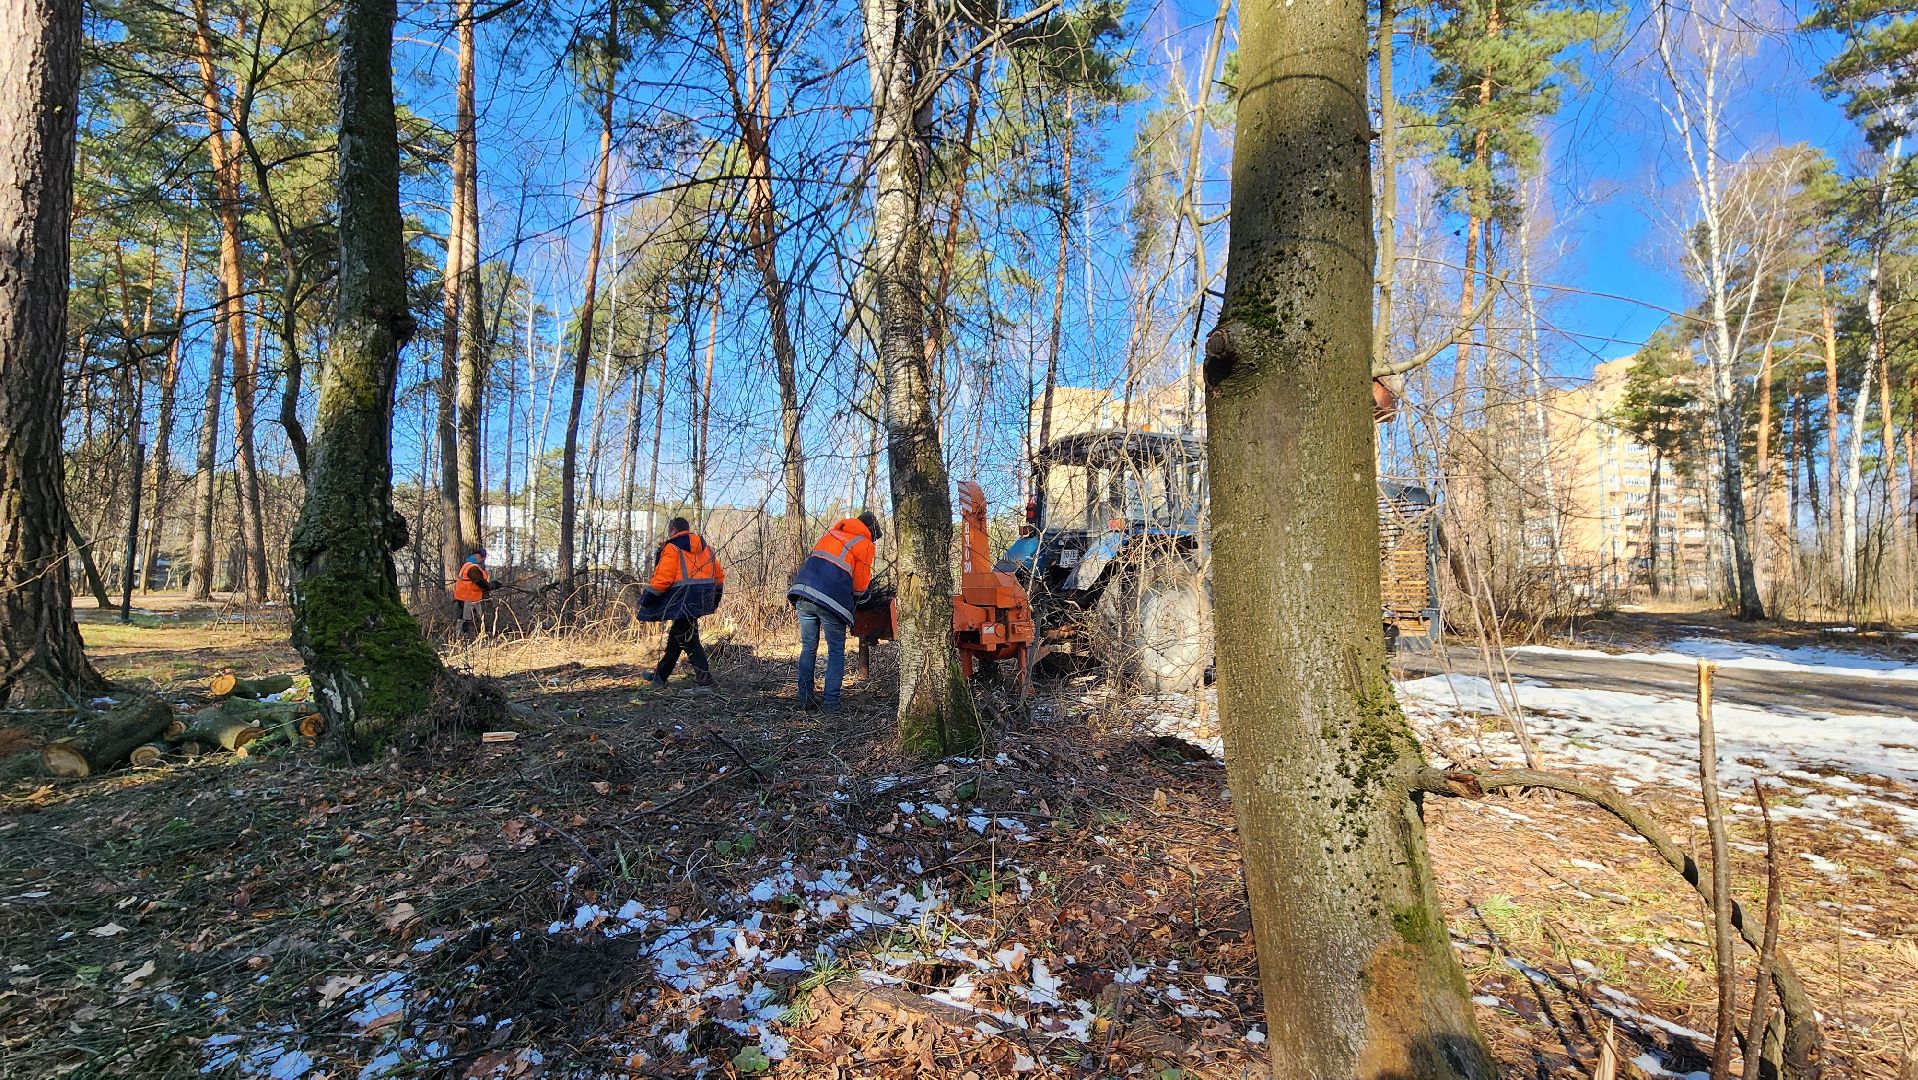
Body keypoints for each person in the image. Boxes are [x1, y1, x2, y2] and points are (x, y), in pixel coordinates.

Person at [787, 511, 881, 712]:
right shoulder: (864, 543)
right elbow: (859, 587)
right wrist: (866, 603)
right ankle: (831, 703)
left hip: (802, 592)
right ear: (871, 531)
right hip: (830, 600)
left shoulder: (831, 533)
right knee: (836, 650)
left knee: (808, 647)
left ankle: (805, 700)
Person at [638, 517, 724, 688]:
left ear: (674, 530)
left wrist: (647, 599)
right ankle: (660, 676)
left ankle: (705, 681)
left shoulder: (673, 548)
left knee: (689, 639)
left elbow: (663, 579)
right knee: (677, 637)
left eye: (669, 532)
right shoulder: (707, 549)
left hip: (681, 601)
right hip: (702, 599)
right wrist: (715, 599)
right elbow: (719, 577)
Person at [452, 547, 493, 636]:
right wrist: (491, 586)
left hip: (463, 596)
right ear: (478, 556)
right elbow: (479, 581)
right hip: (468, 597)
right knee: (467, 619)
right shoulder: (473, 568)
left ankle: (459, 636)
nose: (482, 560)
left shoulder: (467, 564)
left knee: (462, 617)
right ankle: (464, 637)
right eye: (481, 557)